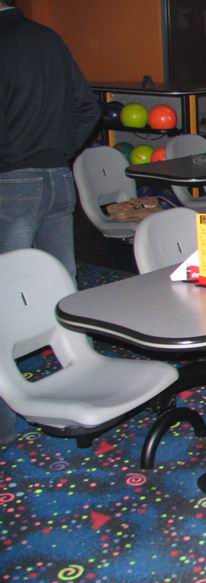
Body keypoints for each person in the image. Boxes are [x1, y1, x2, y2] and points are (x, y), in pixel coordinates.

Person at [0, 0, 100, 445]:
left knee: (7, 294)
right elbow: (88, 107)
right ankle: (85, 379)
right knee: (62, 285)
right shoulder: (49, 39)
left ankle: (4, 423)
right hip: (59, 178)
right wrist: (58, 150)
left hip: (12, 181)